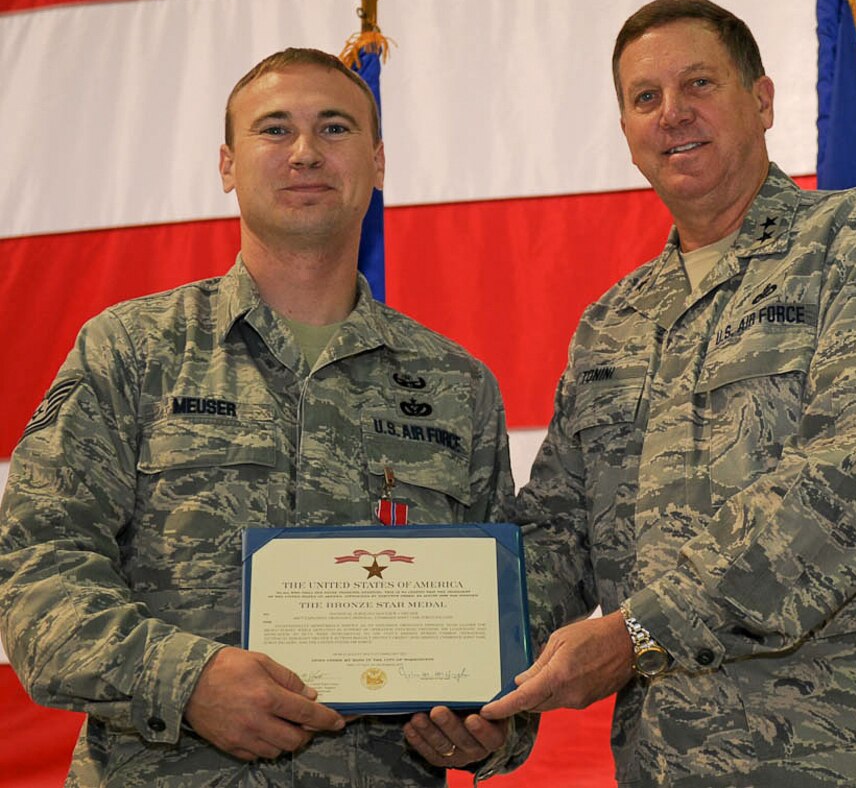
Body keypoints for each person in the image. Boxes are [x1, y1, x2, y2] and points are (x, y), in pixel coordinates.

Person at [482, 0, 856, 787]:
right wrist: (462, 675)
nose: (673, 113)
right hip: (671, 764)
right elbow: (558, 532)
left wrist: (640, 632)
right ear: (625, 130)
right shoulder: (613, 322)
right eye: (645, 98)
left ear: (762, 100)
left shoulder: (855, 241)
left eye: (699, 84)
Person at [0, 48, 523, 786]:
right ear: (227, 163)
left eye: (334, 129)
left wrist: (493, 728)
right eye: (274, 130)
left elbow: (506, 608)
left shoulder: (457, 387)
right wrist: (186, 681)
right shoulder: (131, 351)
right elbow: (35, 574)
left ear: (378, 162)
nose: (305, 152)